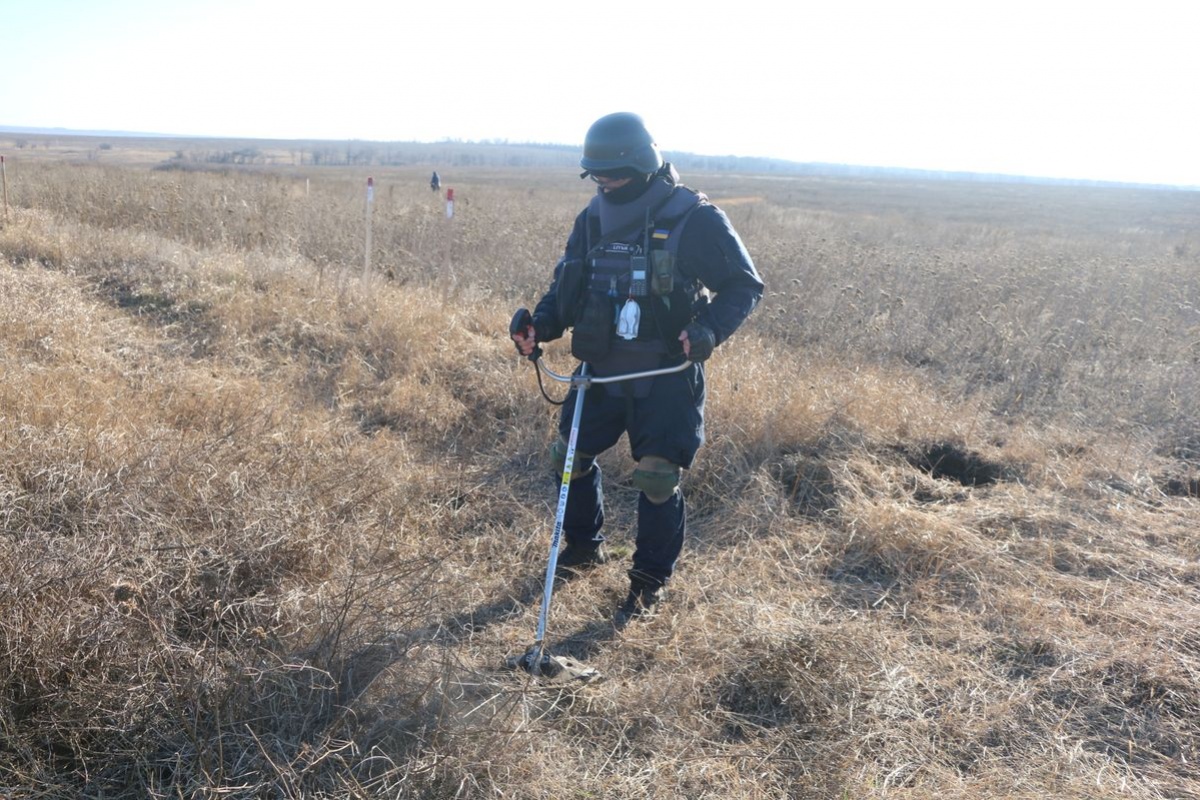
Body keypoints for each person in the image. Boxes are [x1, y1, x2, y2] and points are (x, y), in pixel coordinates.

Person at [511, 112, 764, 627]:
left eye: (615, 175)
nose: (605, 183)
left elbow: (744, 286)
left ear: (644, 164)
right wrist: (540, 325)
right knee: (569, 458)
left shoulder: (695, 217)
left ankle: (649, 584)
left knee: (655, 477)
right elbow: (568, 285)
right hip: (599, 370)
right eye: (597, 175)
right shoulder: (592, 217)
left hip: (666, 377)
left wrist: (709, 330)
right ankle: (584, 549)